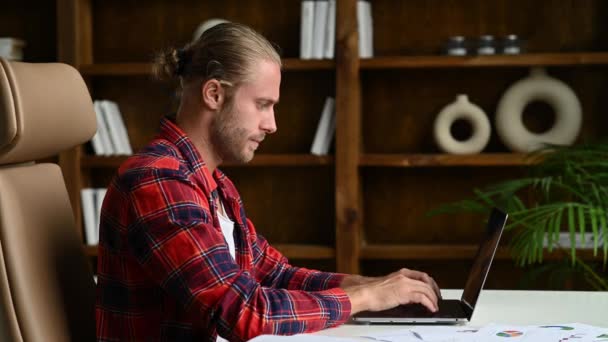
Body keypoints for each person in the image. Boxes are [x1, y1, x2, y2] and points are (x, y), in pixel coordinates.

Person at [95, 22, 441, 342]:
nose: (272, 125)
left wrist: (372, 286)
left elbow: (271, 274)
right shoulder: (158, 180)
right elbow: (242, 312)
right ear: (214, 94)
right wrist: (365, 298)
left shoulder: (214, 183)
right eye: (262, 105)